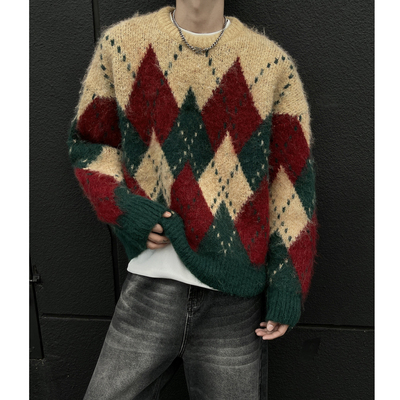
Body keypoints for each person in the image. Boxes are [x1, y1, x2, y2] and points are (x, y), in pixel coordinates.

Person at [67, 0, 318, 398]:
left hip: (235, 303)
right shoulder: (122, 46)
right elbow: (90, 145)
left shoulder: (272, 65)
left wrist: (286, 282)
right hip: (150, 287)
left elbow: (291, 183)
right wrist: (126, 210)